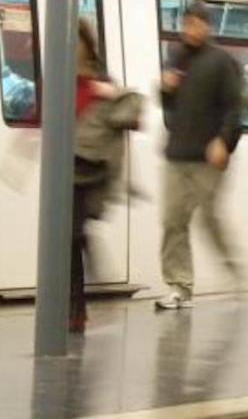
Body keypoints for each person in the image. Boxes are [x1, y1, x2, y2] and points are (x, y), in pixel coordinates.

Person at [156, 1, 244, 310]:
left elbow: (235, 108)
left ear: (208, 27)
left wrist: (224, 141)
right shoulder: (176, 57)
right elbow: (167, 103)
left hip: (210, 157)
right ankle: (180, 286)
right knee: (173, 219)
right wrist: (165, 88)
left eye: (198, 23)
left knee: (209, 217)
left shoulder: (222, 62)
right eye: (188, 23)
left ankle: (233, 270)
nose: (193, 29)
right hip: (178, 153)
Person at [70, 20, 143, 331]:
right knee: (72, 238)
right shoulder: (61, 78)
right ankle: (76, 309)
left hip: (93, 168)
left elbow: (131, 109)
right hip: (67, 168)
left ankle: (77, 307)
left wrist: (108, 94)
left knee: (73, 235)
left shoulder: (101, 81)